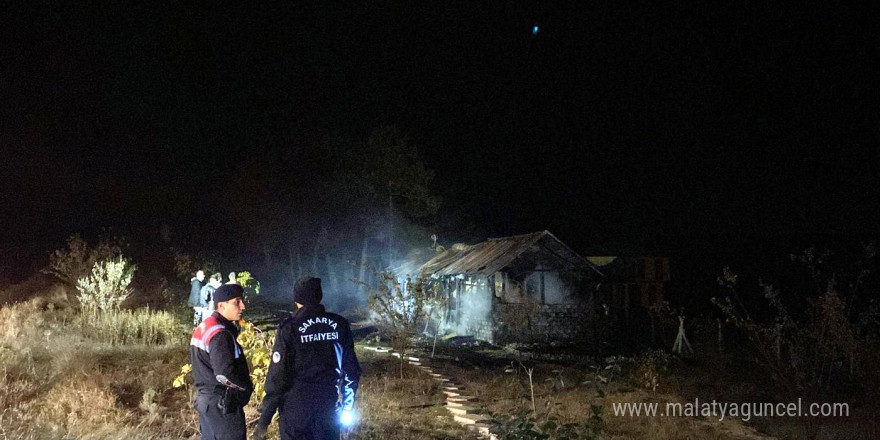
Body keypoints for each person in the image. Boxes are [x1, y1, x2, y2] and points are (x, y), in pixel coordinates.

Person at [254, 277, 361, 440]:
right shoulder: (340, 325)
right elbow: (351, 372)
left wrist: (264, 421)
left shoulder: (290, 327)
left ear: (296, 300)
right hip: (328, 410)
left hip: (296, 412)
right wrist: (347, 408)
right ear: (320, 296)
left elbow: (277, 377)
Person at [190, 284, 253, 440]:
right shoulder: (220, 334)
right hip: (224, 407)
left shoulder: (205, 327)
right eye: (237, 302)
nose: (242, 306)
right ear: (221, 306)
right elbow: (224, 374)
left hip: (208, 405)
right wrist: (245, 389)